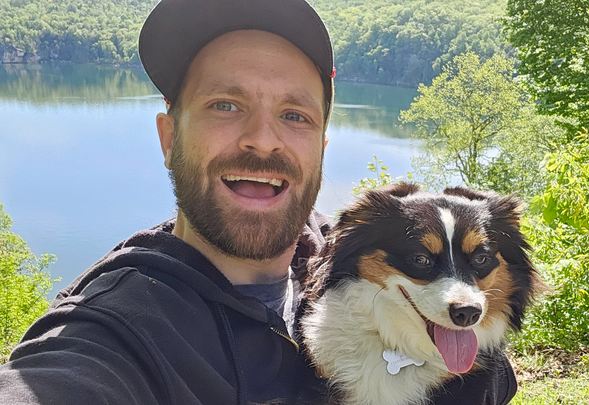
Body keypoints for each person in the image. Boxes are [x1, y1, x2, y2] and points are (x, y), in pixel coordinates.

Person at [0, 0, 517, 404]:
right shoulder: (114, 334)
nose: (263, 140)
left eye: (294, 115)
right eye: (225, 104)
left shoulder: (341, 245)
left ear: (321, 149)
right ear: (169, 138)